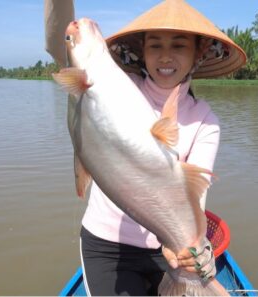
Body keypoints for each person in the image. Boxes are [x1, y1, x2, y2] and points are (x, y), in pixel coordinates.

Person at [45, 0, 246, 295]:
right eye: (154, 46)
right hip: (107, 248)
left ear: (198, 53)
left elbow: (195, 195)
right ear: (142, 51)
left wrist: (186, 250)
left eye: (178, 45)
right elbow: (59, 46)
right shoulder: (118, 85)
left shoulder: (206, 121)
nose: (165, 56)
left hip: (163, 247)